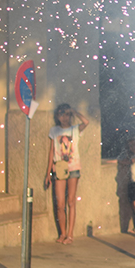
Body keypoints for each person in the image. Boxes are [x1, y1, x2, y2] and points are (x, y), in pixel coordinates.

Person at [44, 103, 89, 244]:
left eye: (67, 114)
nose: (65, 117)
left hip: (73, 167)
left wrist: (74, 110)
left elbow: (86, 122)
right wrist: (48, 172)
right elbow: (51, 151)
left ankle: (70, 234)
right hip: (59, 167)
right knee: (60, 203)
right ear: (57, 116)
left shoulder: (75, 130)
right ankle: (62, 233)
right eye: (62, 114)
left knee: (71, 201)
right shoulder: (54, 130)